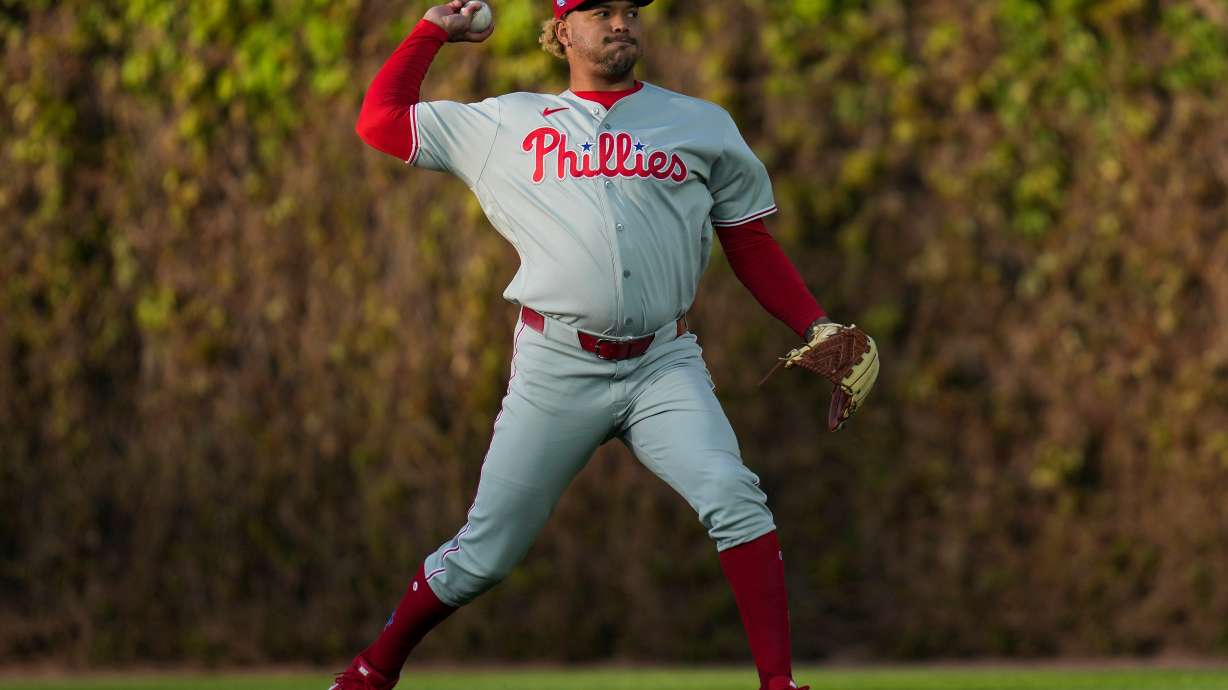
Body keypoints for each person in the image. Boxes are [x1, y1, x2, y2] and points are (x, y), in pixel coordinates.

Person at [333, 2, 848, 688]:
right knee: (484, 555)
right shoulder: (504, 124)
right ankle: (373, 669)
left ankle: (779, 686)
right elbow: (379, 120)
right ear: (562, 31)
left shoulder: (700, 124)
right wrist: (433, 32)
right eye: (600, 11)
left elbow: (747, 240)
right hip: (557, 365)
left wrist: (815, 324)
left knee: (735, 496)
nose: (620, 22)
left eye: (630, 10)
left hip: (664, 364)